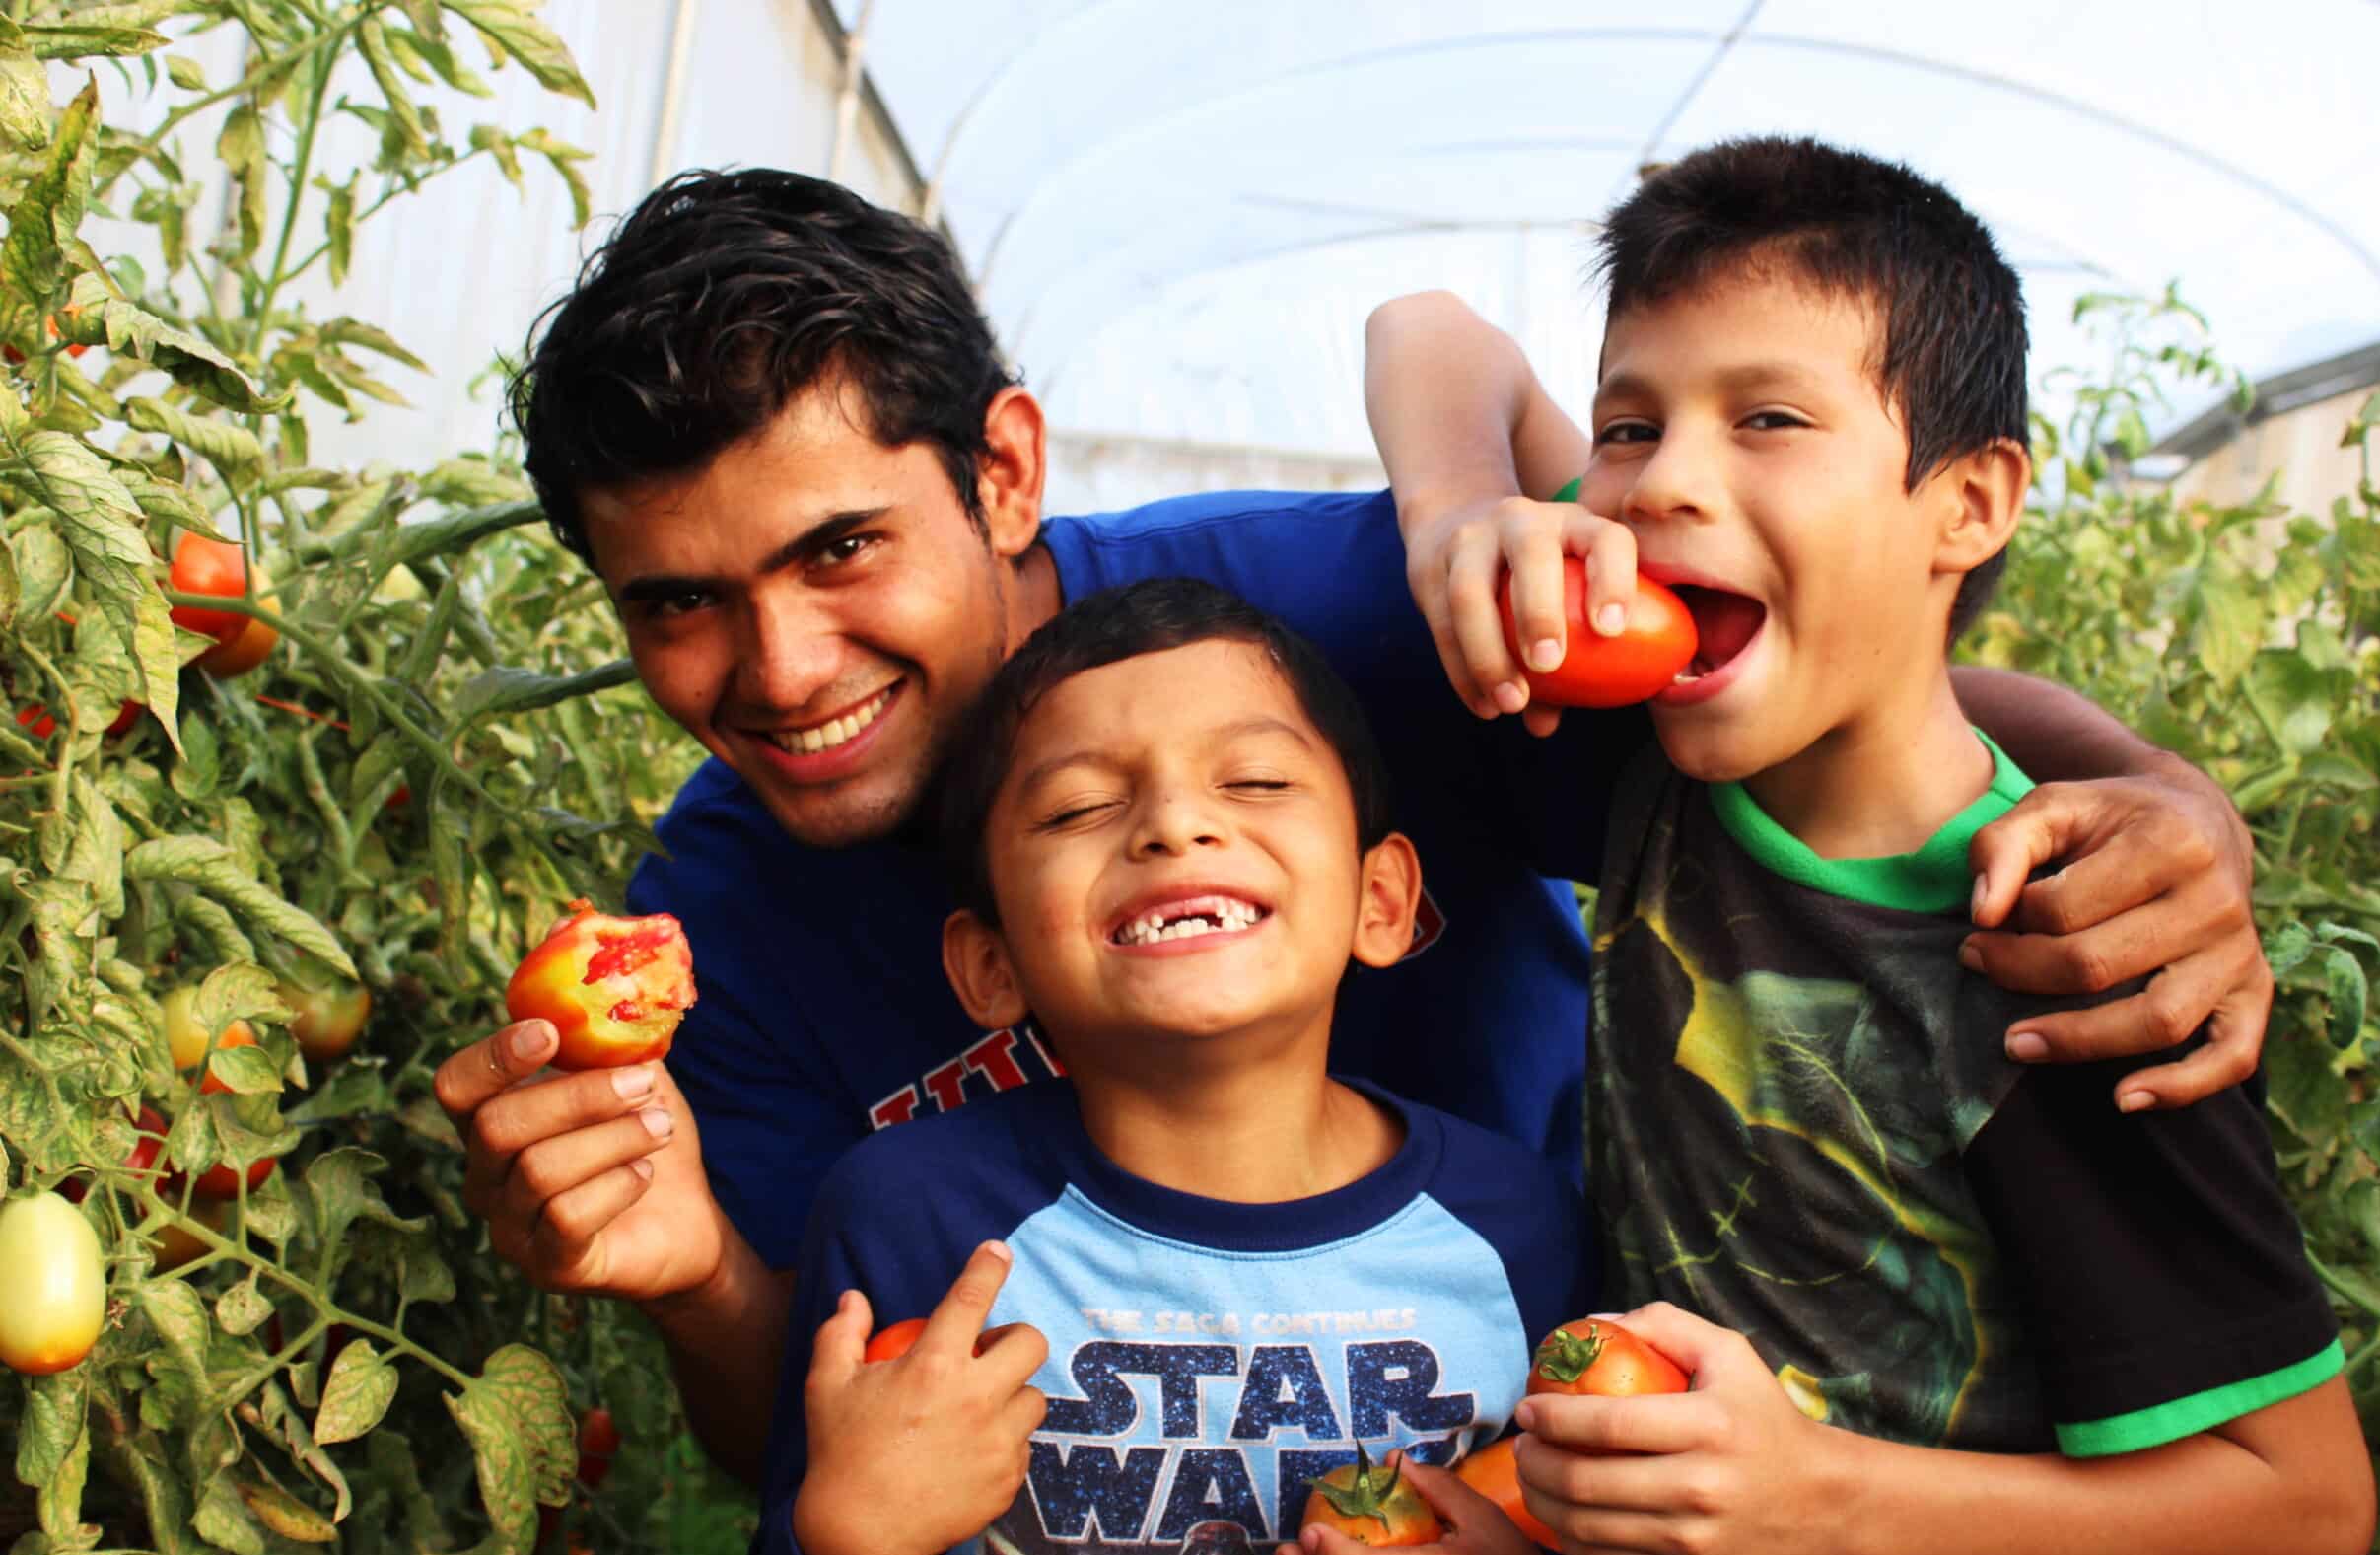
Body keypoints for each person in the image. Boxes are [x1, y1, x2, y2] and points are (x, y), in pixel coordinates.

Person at [430, 169, 2275, 1483]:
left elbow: (1819, 694)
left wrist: (2165, 798)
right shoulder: (723, 920)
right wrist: (692, 1278)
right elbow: (800, 1451)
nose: (779, 665)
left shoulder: (1298, 642)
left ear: (1004, 469)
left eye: (842, 551)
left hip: (1565, 1469)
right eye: (675, 601)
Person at [1411, 137, 2371, 1555]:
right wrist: (1461, 514)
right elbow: (1432, 333)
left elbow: (2302, 1501)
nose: (1663, 482)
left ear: (1972, 499)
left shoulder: (2062, 947)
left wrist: (1813, 1494)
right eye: (1627, 425)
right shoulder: (1669, 765)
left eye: (1770, 418)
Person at [737, 579, 1625, 1555]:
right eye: (1074, 810)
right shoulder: (906, 1217)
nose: (1173, 823)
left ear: (1381, 901)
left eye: (1253, 780)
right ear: (989, 964)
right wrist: (852, 1549)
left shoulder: (1520, 1225)